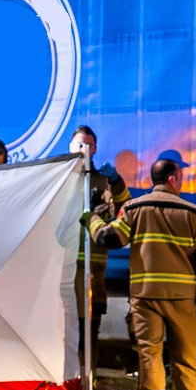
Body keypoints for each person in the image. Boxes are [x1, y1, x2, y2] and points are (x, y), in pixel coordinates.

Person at [91, 156, 196, 390]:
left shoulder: (134, 208)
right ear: (173, 180)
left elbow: (108, 238)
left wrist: (90, 219)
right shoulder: (194, 213)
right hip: (182, 298)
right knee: (186, 358)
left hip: (146, 297)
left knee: (149, 355)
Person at [69, 126, 128, 325]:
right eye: (79, 144)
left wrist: (117, 183)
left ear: (95, 149)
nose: (83, 149)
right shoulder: (58, 180)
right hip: (63, 271)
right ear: (70, 147)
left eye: (88, 145)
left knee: (90, 334)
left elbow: (124, 213)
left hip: (94, 273)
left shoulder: (103, 182)